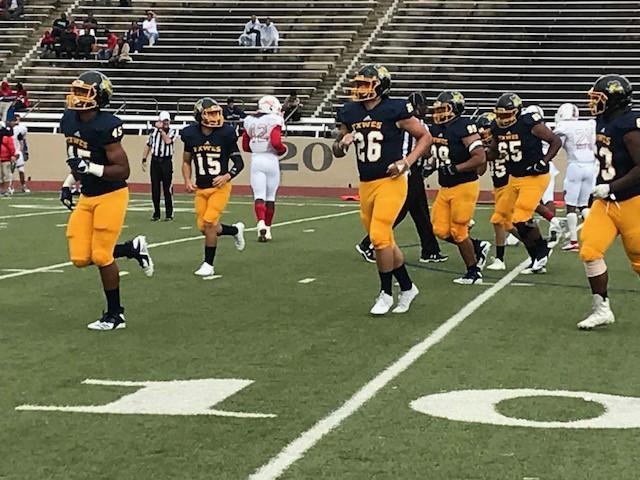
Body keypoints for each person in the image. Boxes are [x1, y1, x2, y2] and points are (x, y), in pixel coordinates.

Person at [60, 70, 154, 330]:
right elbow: (76, 158)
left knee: (101, 256)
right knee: (80, 257)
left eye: (83, 92)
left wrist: (89, 168)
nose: (76, 97)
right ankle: (130, 249)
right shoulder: (68, 119)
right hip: (87, 196)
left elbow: (122, 171)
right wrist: (68, 183)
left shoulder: (107, 125)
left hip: (111, 195)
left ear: (99, 97)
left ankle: (115, 315)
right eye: (76, 91)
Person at [333, 64, 430, 315]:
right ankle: (407, 287)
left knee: (378, 238)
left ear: (381, 86)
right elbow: (336, 147)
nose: (359, 89)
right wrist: (342, 144)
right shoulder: (350, 111)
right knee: (385, 240)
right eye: (358, 84)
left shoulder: (394, 108)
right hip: (366, 184)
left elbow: (425, 138)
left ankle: (386, 293)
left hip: (392, 181)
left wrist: (406, 162)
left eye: (366, 84)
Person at [577, 75, 640, 329]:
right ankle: (602, 309)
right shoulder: (603, 120)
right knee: (590, 250)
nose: (594, 103)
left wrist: (610, 187)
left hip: (632, 201)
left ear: (614, 100)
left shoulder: (630, 126)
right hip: (606, 202)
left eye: (599, 98)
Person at [356, 91, 446, 264]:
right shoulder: (413, 123)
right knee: (401, 211)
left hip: (409, 171)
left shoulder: (397, 119)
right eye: (422, 106)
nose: (425, 109)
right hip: (405, 171)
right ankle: (369, 243)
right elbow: (426, 151)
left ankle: (430, 250)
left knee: (420, 213)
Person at [487, 93, 562, 275]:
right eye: (500, 115)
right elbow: (494, 152)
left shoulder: (529, 123)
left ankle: (541, 251)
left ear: (517, 111)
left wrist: (544, 161)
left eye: (506, 115)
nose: (502, 119)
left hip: (534, 177)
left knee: (520, 217)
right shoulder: (496, 126)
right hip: (514, 177)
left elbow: (555, 141)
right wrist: (477, 153)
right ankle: (536, 256)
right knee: (501, 216)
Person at [424, 91, 490, 284]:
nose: (439, 113)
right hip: (446, 187)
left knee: (459, 231)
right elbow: (436, 154)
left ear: (456, 109)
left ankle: (473, 272)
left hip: (464, 185)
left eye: (444, 109)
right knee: (440, 230)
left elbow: (480, 157)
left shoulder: (465, 126)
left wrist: (457, 168)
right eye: (438, 110)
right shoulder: (435, 128)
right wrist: (430, 165)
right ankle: (477, 246)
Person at [180, 97, 246, 278]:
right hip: (201, 188)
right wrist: (187, 179)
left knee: (209, 223)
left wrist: (226, 176)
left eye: (217, 113)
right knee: (204, 227)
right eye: (210, 113)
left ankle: (208, 264)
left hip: (220, 188)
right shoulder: (190, 134)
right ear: (199, 115)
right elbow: (186, 161)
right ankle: (234, 230)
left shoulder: (226, 134)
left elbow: (239, 163)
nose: (215, 117)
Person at [553, 102, 598, 252]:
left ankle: (573, 240)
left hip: (575, 166)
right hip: (591, 166)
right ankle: (594, 236)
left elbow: (556, 143)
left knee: (571, 205)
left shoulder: (563, 126)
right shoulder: (590, 124)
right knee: (584, 205)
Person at [242, 95, 286, 241]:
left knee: (259, 195)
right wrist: (283, 150)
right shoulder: (275, 120)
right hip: (271, 160)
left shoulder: (249, 121)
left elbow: (245, 146)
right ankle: (267, 229)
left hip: (257, 159)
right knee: (270, 197)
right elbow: (276, 142)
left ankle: (260, 222)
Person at [477, 112, 512, 271]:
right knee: (510, 225)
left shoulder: (501, 142)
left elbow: (495, 153)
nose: (485, 135)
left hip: (509, 184)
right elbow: (480, 170)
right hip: (499, 186)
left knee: (498, 221)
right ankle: (538, 250)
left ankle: (500, 259)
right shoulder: (490, 144)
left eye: (487, 131)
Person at [143, 111, 176, 221]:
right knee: (155, 188)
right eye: (164, 121)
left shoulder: (172, 131)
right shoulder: (154, 132)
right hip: (155, 161)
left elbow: (167, 141)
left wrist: (161, 130)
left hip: (166, 161)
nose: (166, 123)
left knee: (167, 189)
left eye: (167, 120)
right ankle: (156, 213)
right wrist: (144, 159)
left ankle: (169, 214)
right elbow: (148, 145)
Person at [9, 114, 29, 193]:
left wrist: (22, 151)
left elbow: (22, 142)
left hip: (17, 152)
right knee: (10, 171)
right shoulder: (6, 130)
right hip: (9, 153)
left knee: (21, 170)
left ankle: (23, 186)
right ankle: (10, 186)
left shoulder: (20, 129)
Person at [0, 121, 16, 197]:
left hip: (5, 158)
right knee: (1, 176)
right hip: (2, 157)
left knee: (6, 175)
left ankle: (6, 190)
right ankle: (2, 190)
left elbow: (11, 147)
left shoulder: (7, 138)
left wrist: (12, 155)